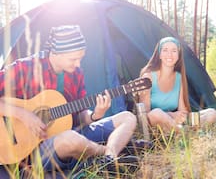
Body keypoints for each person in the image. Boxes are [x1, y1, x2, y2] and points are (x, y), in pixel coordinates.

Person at [0, 25, 138, 175]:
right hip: (33, 150)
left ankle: (108, 159)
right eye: (73, 59)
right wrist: (23, 115)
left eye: (80, 58)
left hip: (70, 132)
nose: (78, 64)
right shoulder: (25, 68)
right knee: (71, 139)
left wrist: (95, 115)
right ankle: (110, 154)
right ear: (56, 53)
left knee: (128, 117)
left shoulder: (75, 73)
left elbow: (78, 116)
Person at [138, 36, 216, 133]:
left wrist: (180, 116)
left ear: (179, 55)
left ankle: (181, 132)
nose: (169, 54)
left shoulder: (179, 77)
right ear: (159, 54)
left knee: (212, 113)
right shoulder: (148, 77)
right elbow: (145, 114)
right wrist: (171, 115)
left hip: (174, 122)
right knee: (156, 113)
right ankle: (186, 134)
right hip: (156, 122)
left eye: (174, 51)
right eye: (165, 50)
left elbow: (183, 110)